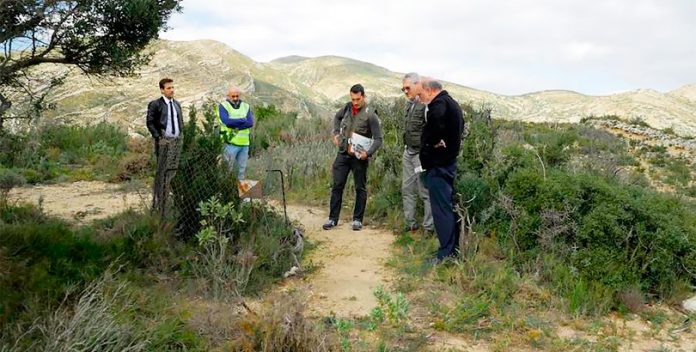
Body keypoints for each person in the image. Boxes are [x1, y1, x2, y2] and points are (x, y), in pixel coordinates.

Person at [323, 84, 383, 231]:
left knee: (360, 188)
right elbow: (337, 118)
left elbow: (378, 139)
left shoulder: (371, 114)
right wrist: (336, 133)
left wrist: (367, 153)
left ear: (364, 96)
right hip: (343, 153)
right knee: (337, 185)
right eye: (353, 99)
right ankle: (332, 219)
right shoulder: (347, 107)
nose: (355, 102)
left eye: (358, 99)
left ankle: (357, 220)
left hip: (359, 157)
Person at [418, 78, 464, 263]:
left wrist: (430, 141)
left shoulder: (439, 104)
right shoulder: (452, 103)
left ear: (429, 90)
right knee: (446, 208)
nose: (421, 98)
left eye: (421, 94)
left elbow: (435, 125)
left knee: (441, 210)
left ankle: (445, 255)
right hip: (447, 163)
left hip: (439, 166)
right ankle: (451, 250)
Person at [401, 73, 433, 233]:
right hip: (408, 152)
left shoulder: (427, 104)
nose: (406, 91)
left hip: (420, 155)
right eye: (403, 89)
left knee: (425, 191)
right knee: (407, 189)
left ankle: (429, 228)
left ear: (417, 85)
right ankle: (410, 224)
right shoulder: (408, 104)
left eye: (408, 88)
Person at [146, 78, 184, 216]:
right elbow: (150, 122)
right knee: (162, 172)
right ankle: (159, 203)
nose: (172, 90)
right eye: (169, 88)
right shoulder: (156, 104)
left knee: (173, 171)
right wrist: (158, 137)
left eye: (173, 87)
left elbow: (180, 122)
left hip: (176, 142)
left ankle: (169, 199)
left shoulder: (177, 105)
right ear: (162, 90)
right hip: (164, 142)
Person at [217, 86, 254, 180]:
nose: (235, 98)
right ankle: (223, 192)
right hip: (229, 144)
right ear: (228, 96)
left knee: (241, 171)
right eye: (233, 96)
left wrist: (235, 124)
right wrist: (242, 120)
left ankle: (238, 193)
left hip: (244, 144)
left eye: (237, 96)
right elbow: (227, 122)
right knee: (226, 170)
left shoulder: (246, 106)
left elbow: (250, 123)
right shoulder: (223, 106)